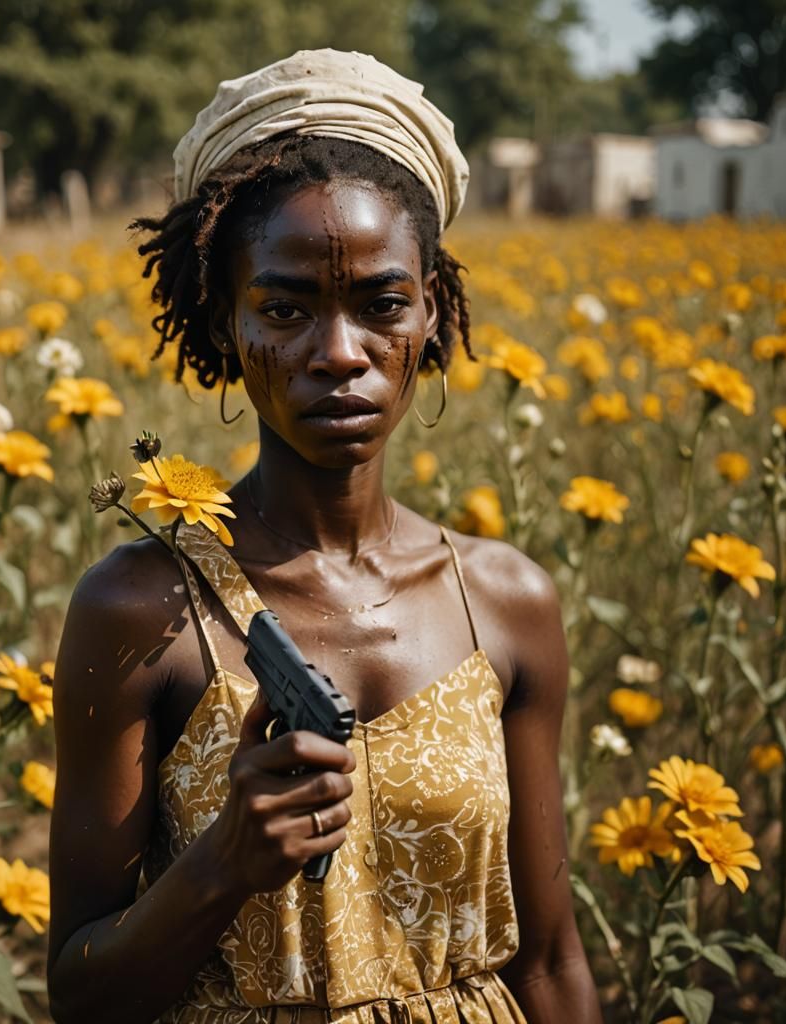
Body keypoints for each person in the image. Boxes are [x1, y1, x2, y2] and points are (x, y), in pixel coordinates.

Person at [46, 49, 602, 1024]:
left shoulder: (507, 603)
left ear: (431, 313)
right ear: (223, 322)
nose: (339, 353)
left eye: (381, 304)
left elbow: (550, 964)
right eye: (284, 309)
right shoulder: (142, 611)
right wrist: (223, 864)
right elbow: (80, 995)